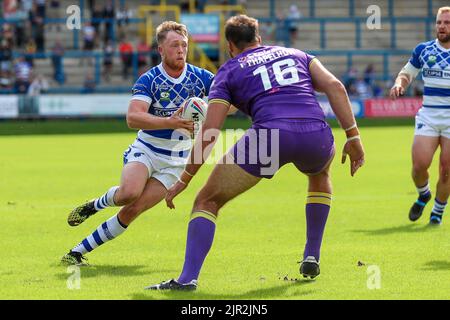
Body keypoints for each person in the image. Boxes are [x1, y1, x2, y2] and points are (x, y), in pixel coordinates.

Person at [148, 14, 365, 291]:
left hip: (269, 138)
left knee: (207, 200)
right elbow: (335, 86)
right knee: (320, 173)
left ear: (230, 46)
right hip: (315, 133)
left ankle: (187, 279)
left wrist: (185, 179)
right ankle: (311, 254)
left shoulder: (228, 71)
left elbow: (211, 131)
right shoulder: (296, 54)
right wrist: (353, 136)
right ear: (258, 38)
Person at [61, 21, 215, 266]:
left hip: (176, 161)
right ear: (160, 49)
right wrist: (171, 122)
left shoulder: (202, 77)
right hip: (147, 149)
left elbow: (228, 101)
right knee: (129, 193)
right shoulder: (150, 79)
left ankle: (77, 252)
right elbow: (133, 118)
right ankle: (94, 205)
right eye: (174, 45)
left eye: (184, 45)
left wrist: (216, 110)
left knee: (133, 210)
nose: (181, 50)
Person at [390, 7, 450, 225]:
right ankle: (424, 194)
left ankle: (437, 212)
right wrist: (399, 84)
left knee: (446, 170)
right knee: (419, 166)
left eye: (447, 23)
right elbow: (407, 73)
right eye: (439, 22)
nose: (442, 26)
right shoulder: (424, 50)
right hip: (430, 116)